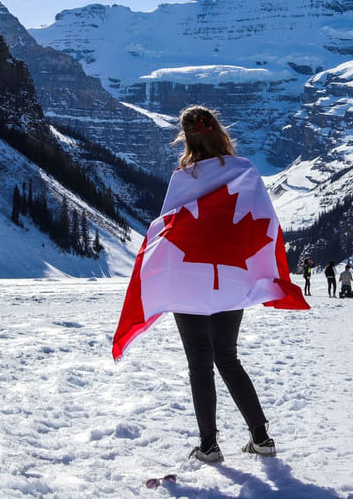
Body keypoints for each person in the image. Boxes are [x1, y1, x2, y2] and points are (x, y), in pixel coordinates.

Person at [112, 105, 310, 464]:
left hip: (188, 279)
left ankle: (208, 445)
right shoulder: (245, 171)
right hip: (231, 279)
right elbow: (265, 222)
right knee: (228, 358)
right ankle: (262, 438)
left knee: (199, 362)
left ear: (186, 138)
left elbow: (170, 228)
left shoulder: (183, 176)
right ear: (219, 130)